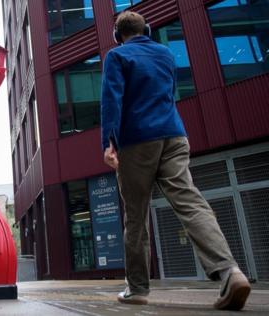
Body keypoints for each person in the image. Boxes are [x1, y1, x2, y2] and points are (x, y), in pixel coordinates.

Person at [100, 11, 251, 311]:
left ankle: (138, 289)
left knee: (136, 215)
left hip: (138, 140)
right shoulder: (166, 54)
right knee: (190, 202)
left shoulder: (117, 57)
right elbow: (167, 95)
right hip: (174, 135)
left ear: (118, 35)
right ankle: (229, 272)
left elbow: (111, 100)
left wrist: (108, 142)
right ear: (148, 29)